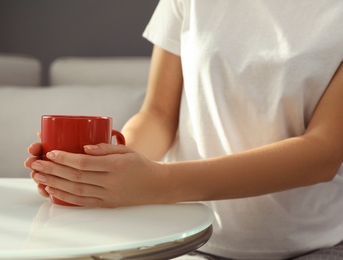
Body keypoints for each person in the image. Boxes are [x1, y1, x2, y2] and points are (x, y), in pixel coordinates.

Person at [25, 1, 343, 259]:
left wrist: (159, 183)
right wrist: (102, 173)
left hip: (310, 246)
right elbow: (158, 115)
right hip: (186, 241)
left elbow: (323, 152)